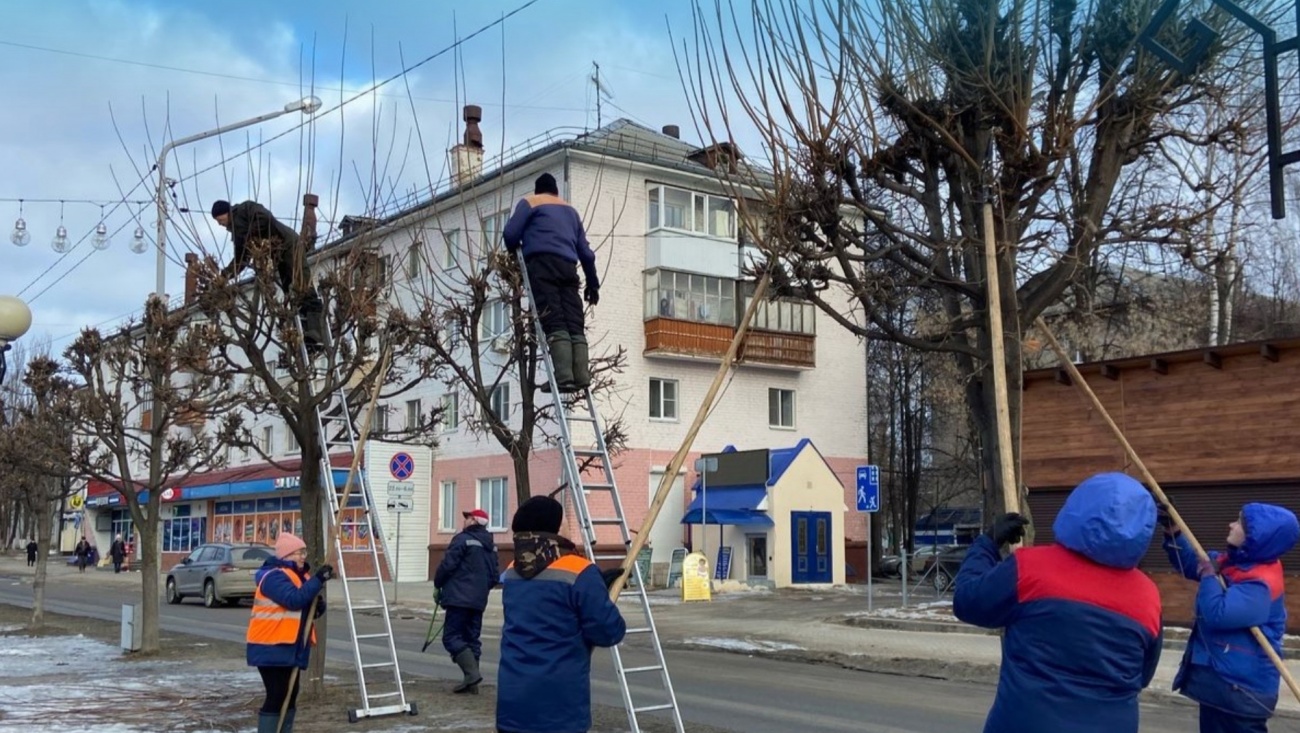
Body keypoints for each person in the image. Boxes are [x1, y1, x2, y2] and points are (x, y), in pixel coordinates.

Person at [953, 472, 1164, 733]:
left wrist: (987, 543)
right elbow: (1142, 675)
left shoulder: (1030, 569)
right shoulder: (1148, 596)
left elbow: (967, 601)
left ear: (1078, 506)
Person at [1163, 502, 1300, 732]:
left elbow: (1217, 613)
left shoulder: (1261, 583)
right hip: (1222, 689)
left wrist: (1208, 576)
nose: (1231, 525)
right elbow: (1192, 562)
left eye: (1238, 523)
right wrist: (1173, 530)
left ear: (1255, 537)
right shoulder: (1235, 563)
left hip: (1241, 696)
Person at [496, 496, 626, 733]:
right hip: (558, 709)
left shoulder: (512, 573)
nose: (568, 525)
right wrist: (599, 596)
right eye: (564, 520)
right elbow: (609, 632)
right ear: (555, 528)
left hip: (512, 704)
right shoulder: (579, 571)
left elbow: (545, 613)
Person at [503, 173, 600, 393]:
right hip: (568, 266)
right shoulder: (571, 211)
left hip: (541, 264)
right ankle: (582, 375)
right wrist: (592, 284)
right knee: (573, 320)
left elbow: (510, 234)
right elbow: (587, 254)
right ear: (556, 192)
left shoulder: (530, 202)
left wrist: (515, 252)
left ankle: (564, 376)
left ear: (538, 191)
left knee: (553, 316)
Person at [246, 532, 334, 733]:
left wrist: (317, 605)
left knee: (290, 694)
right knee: (277, 695)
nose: (303, 556)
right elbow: (293, 600)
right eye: (298, 553)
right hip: (269, 646)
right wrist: (318, 579)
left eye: (304, 552)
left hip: (288, 646)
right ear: (285, 556)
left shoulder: (299, 576)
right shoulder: (272, 577)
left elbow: (302, 607)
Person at [211, 199, 325, 349]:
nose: (220, 224)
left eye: (220, 220)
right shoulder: (237, 233)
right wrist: (225, 275)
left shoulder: (246, 208)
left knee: (302, 284)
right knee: (290, 291)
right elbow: (241, 259)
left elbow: (266, 218)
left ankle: (316, 330)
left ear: (226, 212)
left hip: (289, 245)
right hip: (278, 255)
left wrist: (249, 236)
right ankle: (306, 336)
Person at [433, 507, 500, 694]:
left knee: (451, 637)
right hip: (478, 599)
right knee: (472, 638)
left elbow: (448, 565)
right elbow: (495, 576)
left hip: (458, 598)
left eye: (468, 517)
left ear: (474, 521)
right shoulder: (491, 545)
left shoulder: (462, 540)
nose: (465, 520)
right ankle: (472, 683)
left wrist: (438, 583)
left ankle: (471, 675)